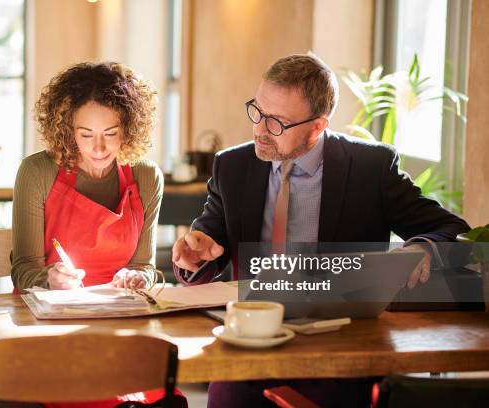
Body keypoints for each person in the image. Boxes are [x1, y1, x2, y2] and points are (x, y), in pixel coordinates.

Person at [171, 53, 470, 408]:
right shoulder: (232, 165)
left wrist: (422, 249)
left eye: (277, 122)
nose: (260, 130)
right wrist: (192, 257)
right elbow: (207, 239)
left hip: (337, 349)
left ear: (318, 125)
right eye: (258, 112)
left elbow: (451, 229)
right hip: (246, 346)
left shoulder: (370, 168)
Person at [12, 61, 163, 293]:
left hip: (122, 313)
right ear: (68, 131)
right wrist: (48, 279)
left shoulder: (146, 177)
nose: (99, 148)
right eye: (86, 135)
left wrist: (138, 277)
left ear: (128, 129)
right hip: (51, 314)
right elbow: (23, 271)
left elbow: (145, 266)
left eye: (110, 133)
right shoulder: (36, 172)